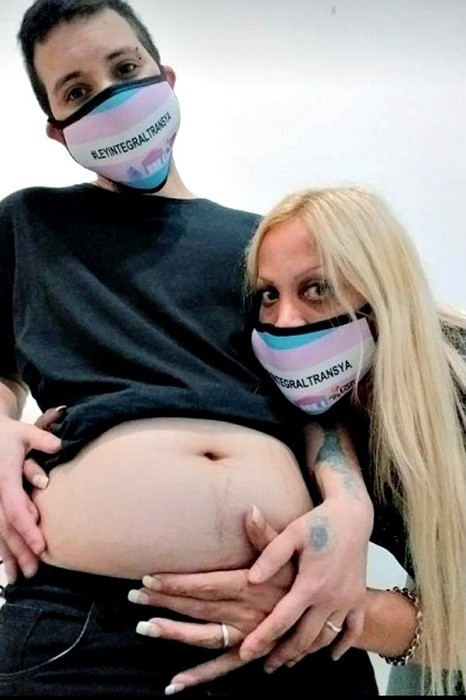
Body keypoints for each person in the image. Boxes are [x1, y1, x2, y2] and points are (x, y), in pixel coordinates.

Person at [0, 1, 378, 696]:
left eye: (124, 68)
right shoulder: (28, 224)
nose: (109, 96)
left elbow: (314, 400)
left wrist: (351, 507)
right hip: (83, 627)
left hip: (286, 615)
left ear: (164, 77)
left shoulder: (264, 245)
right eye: (77, 91)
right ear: (57, 128)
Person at [126, 185, 466, 696]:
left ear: (383, 288)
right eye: (269, 295)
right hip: (437, 627)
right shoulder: (327, 400)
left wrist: (324, 607)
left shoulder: (454, 382)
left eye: (316, 288)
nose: (285, 321)